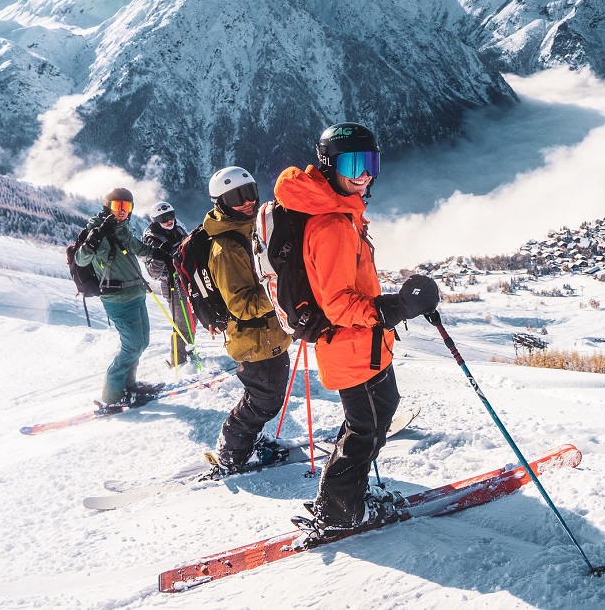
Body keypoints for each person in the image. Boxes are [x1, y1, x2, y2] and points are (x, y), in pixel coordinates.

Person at [274, 122, 439, 532]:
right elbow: (337, 303)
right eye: (354, 163)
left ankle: (350, 497)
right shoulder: (330, 225)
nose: (365, 174)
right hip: (349, 346)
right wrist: (393, 308)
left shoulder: (343, 212)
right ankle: (339, 511)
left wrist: (390, 311)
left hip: (366, 344)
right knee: (363, 429)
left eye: (372, 163)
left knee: (380, 413)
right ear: (330, 165)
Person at [205, 165, 293, 471]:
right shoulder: (226, 248)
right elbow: (241, 304)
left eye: (250, 192)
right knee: (264, 400)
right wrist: (283, 294)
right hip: (253, 339)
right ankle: (232, 452)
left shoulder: (252, 229)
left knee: (266, 396)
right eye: (235, 197)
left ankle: (244, 443)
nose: (246, 201)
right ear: (220, 202)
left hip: (270, 334)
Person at [75, 187, 174, 406]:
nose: (121, 212)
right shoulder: (96, 231)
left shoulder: (123, 230)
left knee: (142, 342)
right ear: (107, 206)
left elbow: (138, 248)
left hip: (136, 293)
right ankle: (111, 396)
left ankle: (129, 385)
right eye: (117, 206)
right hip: (117, 299)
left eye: (126, 207)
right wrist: (95, 238)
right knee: (132, 346)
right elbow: (81, 260)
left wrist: (161, 254)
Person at [142, 201, 195, 367]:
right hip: (171, 282)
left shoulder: (177, 229)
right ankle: (178, 361)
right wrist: (160, 255)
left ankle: (188, 350)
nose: (169, 221)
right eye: (163, 218)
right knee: (181, 323)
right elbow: (152, 272)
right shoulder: (152, 239)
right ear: (155, 220)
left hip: (187, 278)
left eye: (171, 216)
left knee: (193, 318)